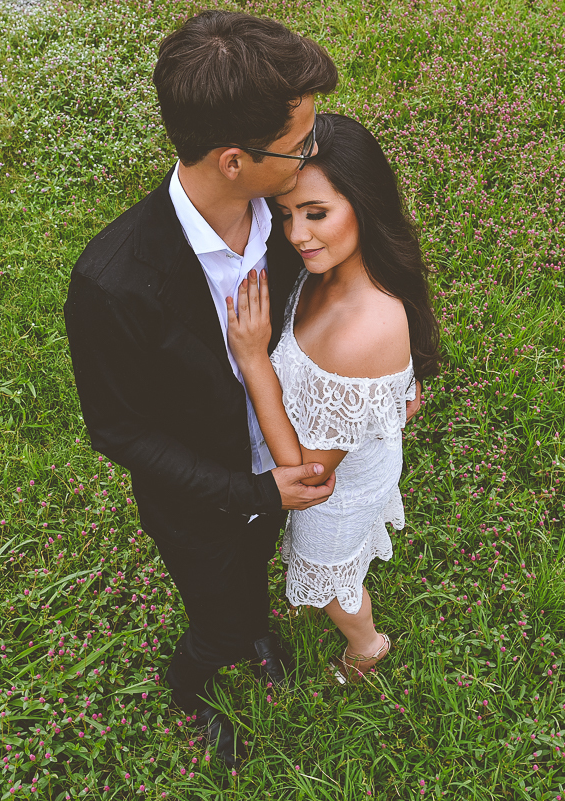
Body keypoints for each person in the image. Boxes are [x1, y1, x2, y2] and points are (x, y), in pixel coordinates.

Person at [63, 11, 340, 768]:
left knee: (255, 581)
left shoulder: (292, 209)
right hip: (203, 503)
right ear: (233, 161)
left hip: (285, 463)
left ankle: (252, 624)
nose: (318, 151)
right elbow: (120, 432)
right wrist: (251, 490)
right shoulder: (113, 283)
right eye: (301, 142)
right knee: (217, 616)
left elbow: (371, 262)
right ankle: (194, 682)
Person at [226, 113, 440, 683]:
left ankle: (366, 646)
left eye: (317, 214)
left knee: (331, 576)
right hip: (339, 449)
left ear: (364, 207)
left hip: (332, 488)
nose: (297, 235)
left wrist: (252, 360)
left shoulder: (364, 327)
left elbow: (309, 476)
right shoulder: (332, 266)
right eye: (287, 213)